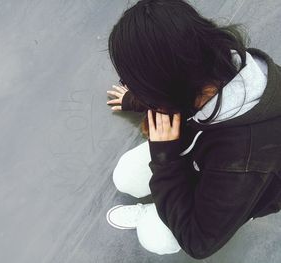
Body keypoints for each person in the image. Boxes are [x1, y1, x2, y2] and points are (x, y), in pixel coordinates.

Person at [105, 0, 281, 260]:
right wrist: (138, 98)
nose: (128, 84)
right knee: (126, 175)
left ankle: (152, 215)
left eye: (133, 80)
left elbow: (199, 242)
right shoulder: (218, 61)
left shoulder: (241, 162)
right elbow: (179, 78)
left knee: (156, 236)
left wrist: (166, 159)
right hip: (203, 152)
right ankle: (165, 202)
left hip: (239, 187)